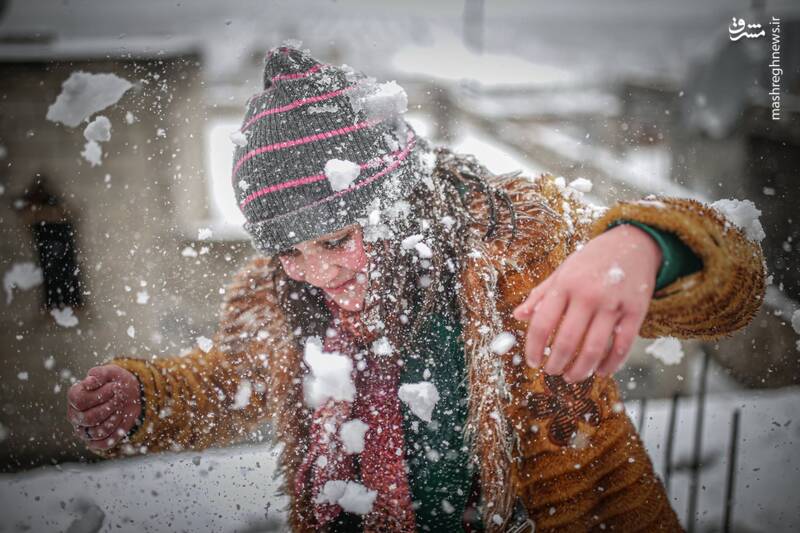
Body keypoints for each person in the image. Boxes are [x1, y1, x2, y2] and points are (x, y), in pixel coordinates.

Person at [66, 45, 766, 532]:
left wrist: (644, 246)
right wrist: (145, 396)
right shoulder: (282, 301)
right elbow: (232, 381)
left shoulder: (518, 241)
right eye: (292, 252)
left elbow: (738, 275)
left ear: (396, 209)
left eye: (338, 239)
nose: (322, 272)